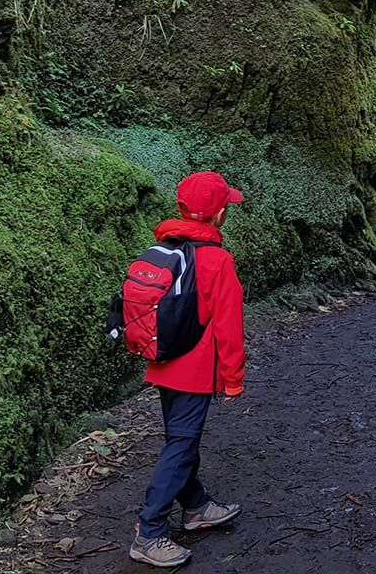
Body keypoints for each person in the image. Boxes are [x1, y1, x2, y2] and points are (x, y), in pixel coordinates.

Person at [129, 171, 247, 568]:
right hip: (196, 371)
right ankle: (149, 532)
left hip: (162, 362)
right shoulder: (217, 260)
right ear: (216, 216)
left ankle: (196, 507)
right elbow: (230, 328)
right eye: (226, 206)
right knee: (181, 445)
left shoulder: (164, 250)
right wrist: (233, 379)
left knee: (181, 440)